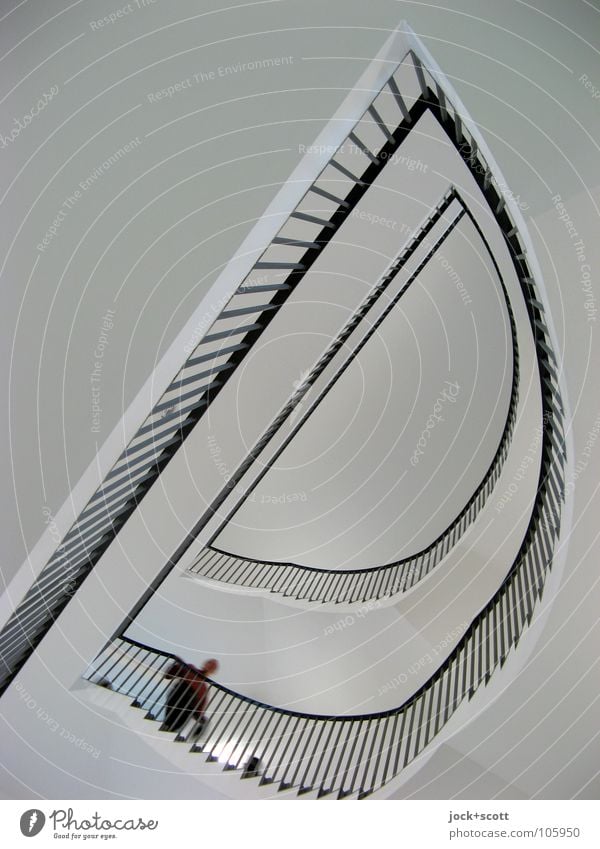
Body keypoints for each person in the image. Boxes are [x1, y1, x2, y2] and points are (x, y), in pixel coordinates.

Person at [162, 657, 219, 737]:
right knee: (185, 693)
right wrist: (179, 664)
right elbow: (168, 675)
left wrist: (202, 719)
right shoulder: (191, 669)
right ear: (205, 663)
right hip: (178, 696)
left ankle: (170, 728)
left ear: (213, 671)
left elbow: (199, 709)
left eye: (213, 666)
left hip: (187, 707)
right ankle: (168, 726)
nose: (210, 666)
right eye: (209, 663)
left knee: (193, 713)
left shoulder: (204, 689)